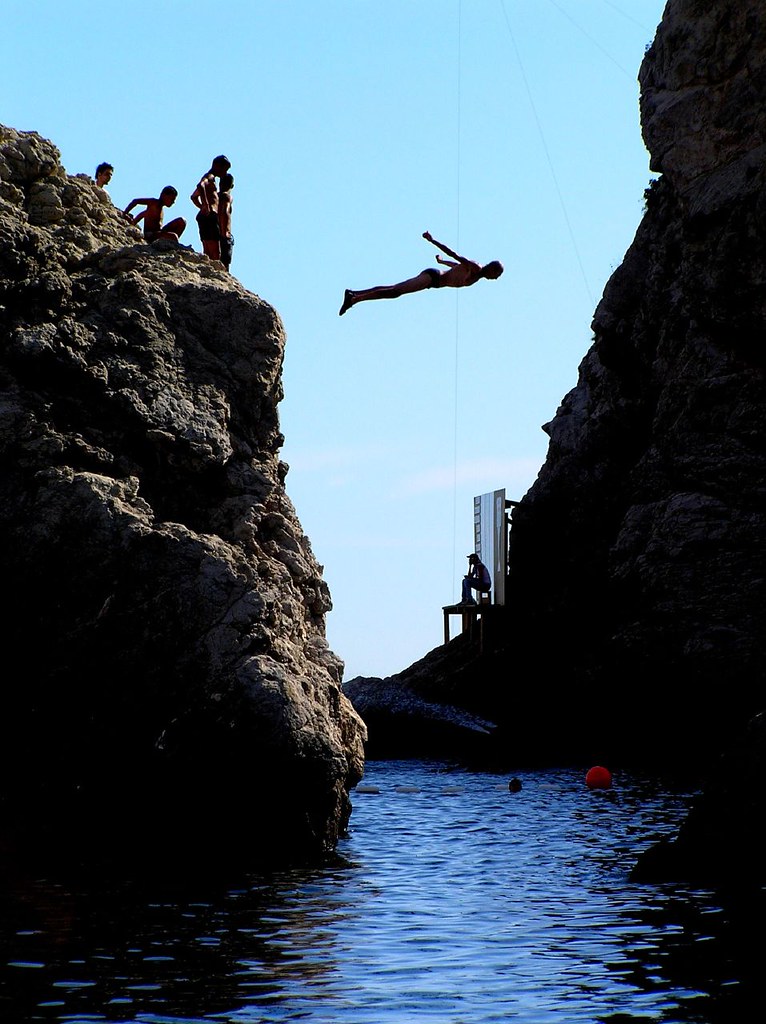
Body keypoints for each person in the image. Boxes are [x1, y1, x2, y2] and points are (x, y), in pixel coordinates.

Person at [339, 230, 503, 315]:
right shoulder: (476, 268)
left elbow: (455, 266)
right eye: (497, 274)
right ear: (492, 269)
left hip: (434, 279)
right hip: (433, 277)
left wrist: (441, 262)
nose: (495, 279)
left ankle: (355, 294)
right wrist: (432, 241)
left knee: (394, 288)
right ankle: (354, 299)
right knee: (395, 291)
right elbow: (455, 255)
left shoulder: (477, 275)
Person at [191, 155, 231, 260]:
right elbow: (200, 186)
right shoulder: (210, 177)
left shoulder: (211, 179)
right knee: (216, 253)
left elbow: (194, 196)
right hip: (210, 216)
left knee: (207, 251)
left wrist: (202, 207)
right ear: (217, 166)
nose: (225, 173)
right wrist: (206, 206)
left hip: (204, 216)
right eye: (224, 169)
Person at [218, 172, 234, 271]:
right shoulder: (227, 197)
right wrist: (225, 232)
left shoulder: (215, 196)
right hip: (224, 233)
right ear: (232, 186)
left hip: (215, 231)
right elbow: (225, 212)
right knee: (225, 262)